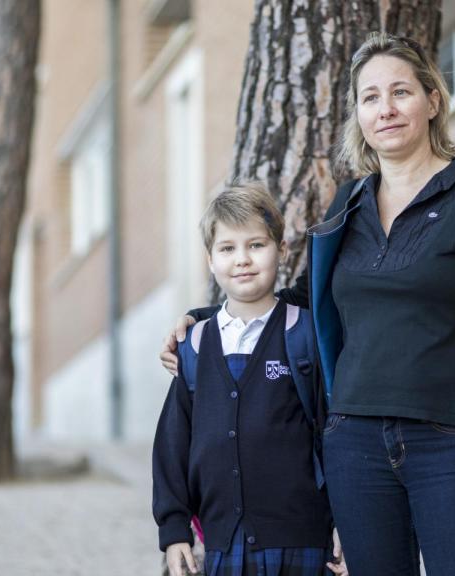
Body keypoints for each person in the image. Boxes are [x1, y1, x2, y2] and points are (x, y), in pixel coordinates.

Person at [161, 32, 455, 576]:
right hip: (354, 447)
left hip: (448, 446)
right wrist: (206, 319)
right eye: (370, 97)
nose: (386, 109)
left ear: (432, 101)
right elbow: (305, 300)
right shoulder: (348, 206)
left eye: (401, 92)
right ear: (358, 114)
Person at [152, 182, 347, 576]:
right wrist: (174, 532)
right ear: (210, 260)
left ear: (282, 250)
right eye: (227, 249)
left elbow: (335, 433)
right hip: (223, 545)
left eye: (256, 245)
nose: (242, 259)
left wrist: (347, 520)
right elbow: (173, 444)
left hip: (302, 541)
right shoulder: (195, 344)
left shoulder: (305, 333)